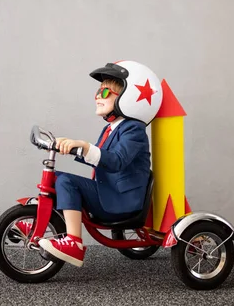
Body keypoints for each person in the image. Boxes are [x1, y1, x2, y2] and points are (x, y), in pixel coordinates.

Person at [36, 61, 163, 267]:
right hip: (110, 191)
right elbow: (99, 156)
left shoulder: (134, 130)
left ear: (127, 98)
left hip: (122, 200)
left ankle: (74, 243)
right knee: (57, 178)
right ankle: (44, 227)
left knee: (67, 181)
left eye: (105, 93)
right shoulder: (111, 128)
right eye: (98, 92)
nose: (98, 97)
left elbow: (116, 161)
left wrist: (84, 146)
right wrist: (70, 146)